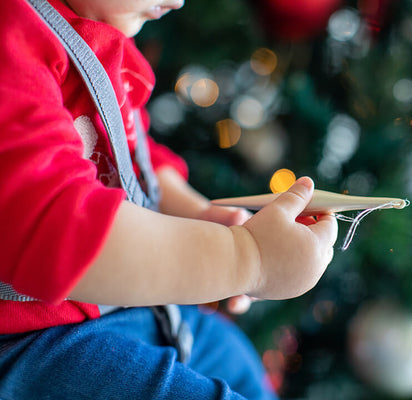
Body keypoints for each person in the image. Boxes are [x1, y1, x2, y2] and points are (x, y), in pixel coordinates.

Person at [0, 0, 338, 399]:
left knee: (235, 361)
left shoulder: (99, 33)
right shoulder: (13, 35)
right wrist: (247, 258)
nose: (179, 1)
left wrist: (196, 215)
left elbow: (133, 155)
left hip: (117, 310)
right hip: (31, 338)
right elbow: (56, 230)